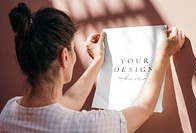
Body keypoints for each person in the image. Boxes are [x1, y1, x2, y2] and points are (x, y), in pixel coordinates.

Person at [0, 2, 185, 133]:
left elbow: (68, 102)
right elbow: (144, 107)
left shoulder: (8, 112)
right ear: (65, 56)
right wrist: (163, 54)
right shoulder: (87, 126)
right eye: (73, 48)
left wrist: (98, 61)